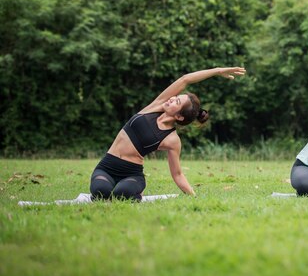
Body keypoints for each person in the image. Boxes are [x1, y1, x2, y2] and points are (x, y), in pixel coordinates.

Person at [90, 66, 246, 201]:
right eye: (176, 97)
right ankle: (119, 191)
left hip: (131, 174)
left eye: (176, 102)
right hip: (107, 166)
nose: (172, 99)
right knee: (100, 191)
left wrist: (194, 197)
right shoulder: (156, 106)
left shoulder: (172, 140)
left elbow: (178, 175)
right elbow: (185, 79)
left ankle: (136, 192)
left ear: (179, 116)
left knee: (120, 195)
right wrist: (217, 71)